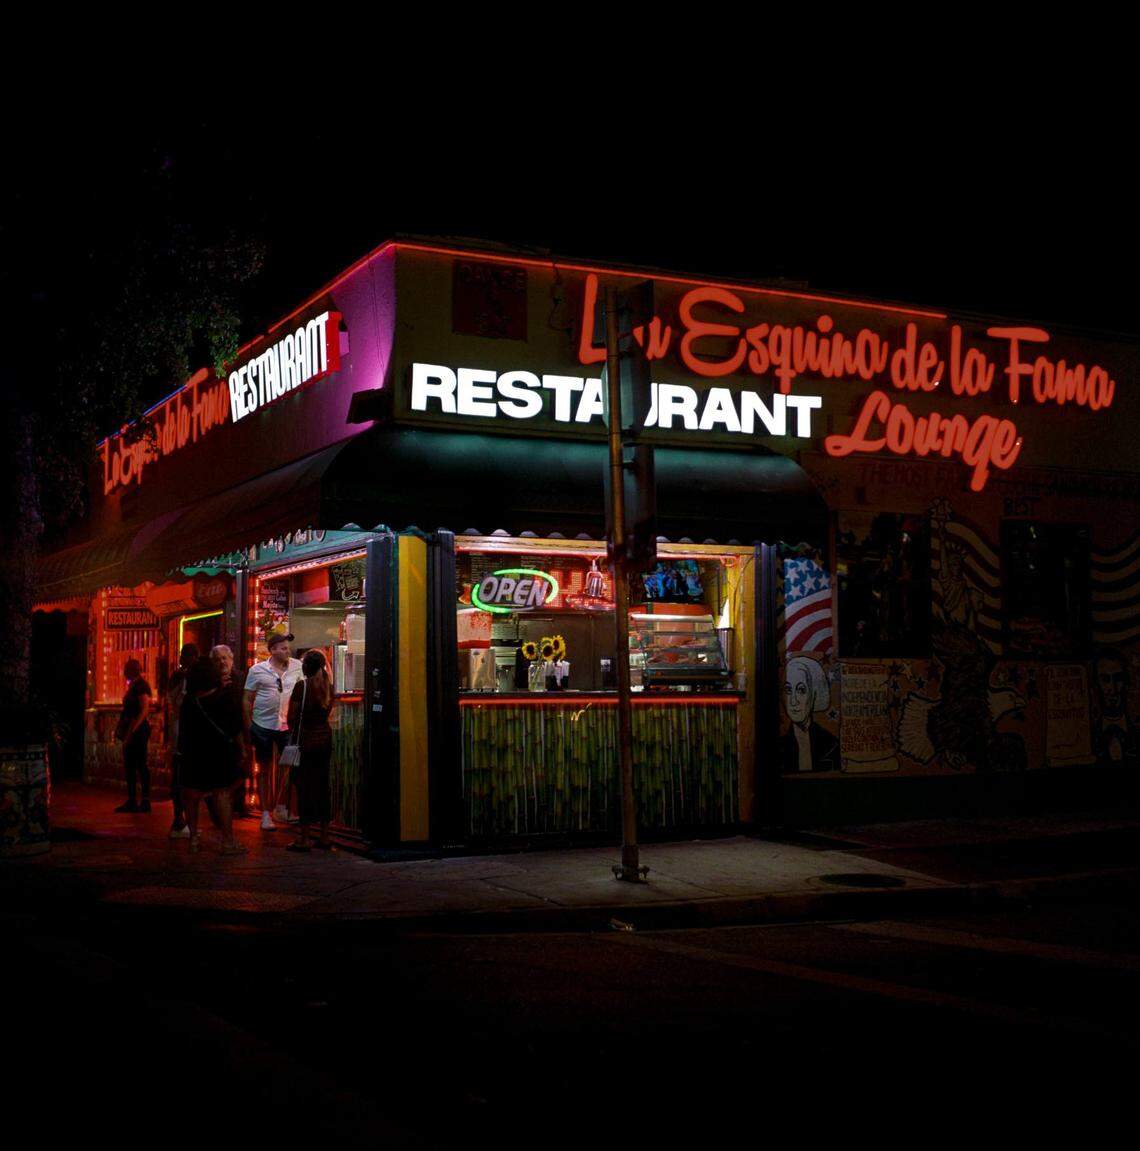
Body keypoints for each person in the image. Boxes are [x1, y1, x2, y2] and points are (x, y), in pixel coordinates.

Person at [179, 657, 247, 854]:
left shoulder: (189, 701)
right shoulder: (224, 698)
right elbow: (235, 729)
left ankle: (193, 839)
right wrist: (242, 750)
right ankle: (227, 840)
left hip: (193, 752)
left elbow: (182, 729)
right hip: (219, 752)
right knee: (223, 794)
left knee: (191, 796)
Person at [243, 631, 303, 830]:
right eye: (284, 648)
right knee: (264, 768)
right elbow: (247, 698)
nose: (288, 651)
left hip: (287, 725)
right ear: (273, 650)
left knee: (291, 766)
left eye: (288, 648)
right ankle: (265, 814)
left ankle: (282, 805)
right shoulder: (257, 670)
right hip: (263, 725)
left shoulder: (297, 667)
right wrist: (248, 724)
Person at [285, 649, 336, 852]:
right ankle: (324, 835)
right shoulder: (328, 687)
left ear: (306, 666)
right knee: (323, 787)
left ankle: (304, 838)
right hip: (324, 741)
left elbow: (292, 717)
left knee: (304, 788)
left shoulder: (302, 687)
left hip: (305, 742)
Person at [780, 655, 839, 773]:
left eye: (801, 690)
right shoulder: (779, 747)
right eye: (788, 690)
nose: (793, 701)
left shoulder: (831, 744)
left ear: (815, 694)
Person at [211, 644, 251, 816]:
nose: (222, 662)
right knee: (223, 776)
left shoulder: (242, 678)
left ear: (231, 659)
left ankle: (237, 805)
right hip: (220, 735)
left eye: (224, 658)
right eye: (217, 659)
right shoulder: (210, 681)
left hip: (240, 730)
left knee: (242, 771)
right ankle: (221, 808)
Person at [164, 643, 198, 837]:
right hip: (185, 735)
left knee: (180, 778)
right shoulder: (186, 678)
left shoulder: (178, 677)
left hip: (179, 734)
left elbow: (172, 702)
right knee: (183, 780)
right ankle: (181, 821)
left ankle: (182, 821)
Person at [114, 658, 153, 812]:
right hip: (133, 729)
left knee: (140, 764)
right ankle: (132, 799)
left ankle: (144, 800)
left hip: (138, 730)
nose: (124, 673)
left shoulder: (141, 686)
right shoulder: (134, 686)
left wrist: (133, 730)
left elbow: (144, 710)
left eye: (126, 670)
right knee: (130, 764)